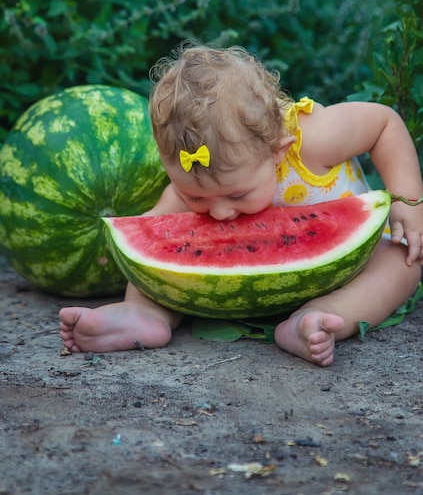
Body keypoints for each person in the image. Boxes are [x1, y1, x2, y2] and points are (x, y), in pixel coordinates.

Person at [59, 44, 423, 366]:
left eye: (236, 195)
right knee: (162, 266)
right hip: (241, 289)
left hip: (352, 266)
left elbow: (384, 124)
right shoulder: (186, 187)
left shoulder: (315, 137)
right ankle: (142, 315)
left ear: (277, 151)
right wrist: (132, 258)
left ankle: (321, 316)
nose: (219, 212)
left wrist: (409, 201)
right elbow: (152, 236)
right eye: (196, 197)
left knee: (404, 260)